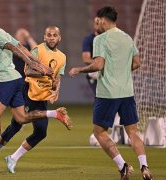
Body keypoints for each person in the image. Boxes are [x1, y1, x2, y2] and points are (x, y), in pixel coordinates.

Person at [0, 13, 72, 170]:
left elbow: (14, 48)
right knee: (21, 118)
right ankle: (55, 114)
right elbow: (20, 46)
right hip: (16, 79)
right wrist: (39, 64)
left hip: (6, 80)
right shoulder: (1, 32)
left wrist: (35, 65)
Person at [69, 6, 153, 180]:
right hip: (127, 92)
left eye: (98, 21)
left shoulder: (100, 39)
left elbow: (98, 65)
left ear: (104, 21)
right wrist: (121, 69)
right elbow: (137, 63)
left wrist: (80, 69)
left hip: (108, 93)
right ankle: (144, 167)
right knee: (133, 132)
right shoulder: (127, 38)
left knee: (99, 132)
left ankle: (123, 166)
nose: (96, 25)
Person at [0, 26, 68, 173]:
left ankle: (13, 158)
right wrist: (44, 72)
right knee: (16, 125)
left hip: (43, 98)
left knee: (41, 132)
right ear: (44, 37)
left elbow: (58, 76)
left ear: (59, 38)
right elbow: (27, 70)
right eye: (49, 35)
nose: (52, 38)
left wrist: (56, 89)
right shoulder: (38, 50)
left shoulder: (62, 57)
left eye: (55, 35)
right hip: (29, 92)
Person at [82, 17, 100, 94]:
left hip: (110, 73)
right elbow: (86, 59)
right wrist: (101, 63)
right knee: (100, 99)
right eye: (96, 23)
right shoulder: (89, 39)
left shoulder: (110, 39)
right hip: (95, 73)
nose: (98, 25)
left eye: (100, 23)